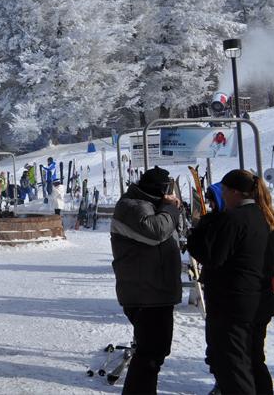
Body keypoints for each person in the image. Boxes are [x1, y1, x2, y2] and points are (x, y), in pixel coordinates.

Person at [187, 170, 274, 395]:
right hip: (259, 300)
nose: (223, 196)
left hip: (232, 304)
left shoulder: (234, 219)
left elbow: (212, 256)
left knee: (233, 365)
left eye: (225, 191)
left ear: (235, 192)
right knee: (253, 359)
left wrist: (198, 231)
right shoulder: (265, 216)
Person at [110, 166, 181, 394]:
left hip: (154, 291)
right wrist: (170, 208)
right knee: (150, 355)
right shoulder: (132, 206)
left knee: (153, 353)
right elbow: (157, 231)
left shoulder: (148, 205)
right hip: (146, 293)